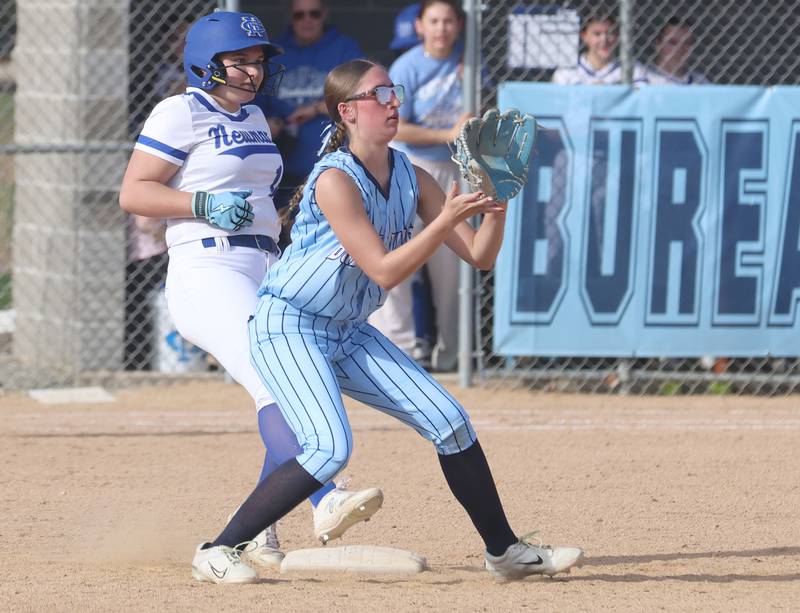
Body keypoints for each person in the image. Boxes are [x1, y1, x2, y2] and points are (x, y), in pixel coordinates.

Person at [190, 58, 585, 584]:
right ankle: (218, 549)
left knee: (450, 421)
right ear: (348, 112)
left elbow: (480, 257)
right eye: (380, 95)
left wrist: (498, 200)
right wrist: (445, 217)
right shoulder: (334, 180)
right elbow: (383, 268)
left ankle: (504, 552)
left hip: (348, 329)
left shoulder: (411, 175)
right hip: (290, 325)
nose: (393, 101)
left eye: (394, 92)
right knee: (330, 448)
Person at [119, 11, 383, 572]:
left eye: (258, 60)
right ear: (204, 63)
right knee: (278, 383)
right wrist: (201, 204)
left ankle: (254, 530)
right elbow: (134, 192)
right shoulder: (179, 111)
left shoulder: (258, 117)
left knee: (305, 376)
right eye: (237, 60)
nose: (251, 71)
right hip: (207, 269)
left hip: (266, 264)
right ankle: (323, 496)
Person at [370, 0, 474, 372]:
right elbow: (397, 125)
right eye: (434, 21)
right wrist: (447, 133)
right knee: (397, 258)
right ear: (420, 26)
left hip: (455, 170)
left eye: (448, 21)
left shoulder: (472, 60)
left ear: (458, 25)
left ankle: (453, 355)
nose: (441, 28)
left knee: (454, 267)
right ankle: (399, 351)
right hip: (411, 166)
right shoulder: (407, 65)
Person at [257, 0, 363, 211]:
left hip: (335, 164)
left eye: (313, 14)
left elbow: (358, 96)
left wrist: (314, 108)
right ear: (290, 18)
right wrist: (270, 123)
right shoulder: (274, 53)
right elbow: (256, 103)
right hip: (283, 170)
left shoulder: (344, 47)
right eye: (299, 15)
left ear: (324, 14)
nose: (307, 20)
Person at [551, 10, 649, 85]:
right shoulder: (567, 71)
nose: (604, 40)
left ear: (618, 36)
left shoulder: (633, 69)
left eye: (610, 33)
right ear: (584, 36)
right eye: (597, 34)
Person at [646, 18, 709, 85]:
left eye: (687, 43)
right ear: (658, 44)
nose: (680, 49)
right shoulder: (642, 78)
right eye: (673, 42)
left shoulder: (701, 82)